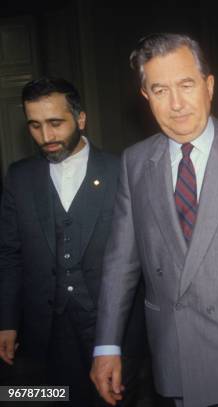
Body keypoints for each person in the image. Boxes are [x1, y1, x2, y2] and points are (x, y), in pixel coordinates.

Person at [90, 33, 218, 407]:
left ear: (209, 85)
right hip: (175, 344)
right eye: (159, 89)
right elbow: (121, 262)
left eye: (186, 85)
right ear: (145, 96)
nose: (176, 104)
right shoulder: (135, 163)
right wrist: (107, 344)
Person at [0, 77, 146, 406]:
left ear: (80, 119)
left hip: (112, 328)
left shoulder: (122, 171)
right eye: (35, 126)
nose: (46, 136)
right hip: (46, 330)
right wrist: (7, 321)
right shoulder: (19, 177)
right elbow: (10, 255)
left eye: (55, 123)